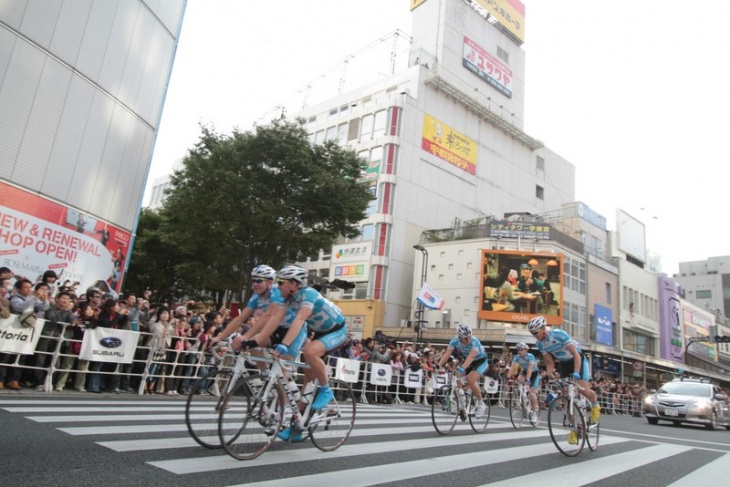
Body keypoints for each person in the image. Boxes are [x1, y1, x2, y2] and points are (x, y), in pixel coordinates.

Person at [273, 265, 348, 442]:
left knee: (309, 351)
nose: (278, 287)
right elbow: (276, 319)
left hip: (337, 330)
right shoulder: (288, 300)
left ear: (293, 284)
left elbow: (300, 319)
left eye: (281, 283)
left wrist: (285, 344)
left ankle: (326, 389)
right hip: (320, 333)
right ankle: (298, 427)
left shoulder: (309, 294)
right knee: (307, 383)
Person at [527, 315, 601, 440]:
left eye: (535, 332)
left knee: (582, 389)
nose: (534, 335)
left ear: (543, 328)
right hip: (564, 364)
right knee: (566, 398)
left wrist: (577, 372)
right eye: (532, 333)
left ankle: (595, 405)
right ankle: (575, 428)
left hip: (577, 360)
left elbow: (576, 354)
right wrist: (546, 375)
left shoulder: (559, 334)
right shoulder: (540, 344)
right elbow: (550, 363)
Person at [435, 323, 488, 418]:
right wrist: (438, 365)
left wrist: (462, 368)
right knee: (457, 380)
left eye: (469, 337)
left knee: (470, 380)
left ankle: (481, 403)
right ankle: (460, 403)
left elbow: (471, 356)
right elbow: (447, 354)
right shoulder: (454, 341)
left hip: (481, 361)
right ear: (459, 337)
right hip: (469, 361)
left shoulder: (475, 341)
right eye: (466, 338)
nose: (468, 339)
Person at [506, 342, 540, 422]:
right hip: (524, 371)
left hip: (534, 373)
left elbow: (530, 368)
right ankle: (522, 395)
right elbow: (512, 368)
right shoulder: (517, 357)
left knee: (532, 393)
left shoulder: (530, 356)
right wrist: (508, 377)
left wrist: (528, 379)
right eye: (518, 350)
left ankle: (534, 412)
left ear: (526, 350)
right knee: (519, 379)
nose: (519, 351)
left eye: (521, 350)